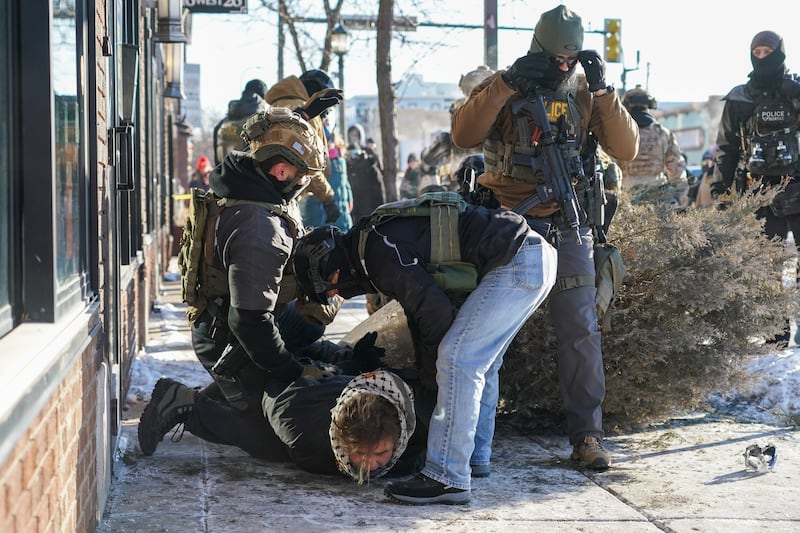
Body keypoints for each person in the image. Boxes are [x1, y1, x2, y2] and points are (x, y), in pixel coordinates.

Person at [450, 4, 639, 471]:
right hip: (509, 226)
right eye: (554, 58)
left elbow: (627, 148)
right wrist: (506, 84)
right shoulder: (505, 82)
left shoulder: (585, 91)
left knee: (581, 329)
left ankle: (587, 436)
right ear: (538, 46)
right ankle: (473, 441)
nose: (561, 66)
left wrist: (604, 90)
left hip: (569, 225)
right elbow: (464, 132)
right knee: (489, 332)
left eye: (568, 59)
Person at [291, 199, 558, 504]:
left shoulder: (376, 253)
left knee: (458, 360)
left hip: (518, 260)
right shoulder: (373, 243)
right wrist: (425, 369)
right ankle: (474, 458)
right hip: (531, 255)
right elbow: (421, 313)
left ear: (329, 266)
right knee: (483, 361)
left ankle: (447, 476)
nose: (335, 294)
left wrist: (432, 380)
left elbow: (435, 313)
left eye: (330, 288)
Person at [138, 104, 344, 460]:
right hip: (227, 338)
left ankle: (238, 389)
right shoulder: (258, 227)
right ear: (281, 170)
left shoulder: (245, 184)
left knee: (311, 326)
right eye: (305, 176)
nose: (305, 184)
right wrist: (292, 372)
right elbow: (249, 320)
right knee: (279, 440)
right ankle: (185, 404)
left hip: (230, 323)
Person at [139, 362, 430, 483]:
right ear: (341, 442)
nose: (370, 465)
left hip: (334, 381)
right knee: (263, 441)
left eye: (380, 454)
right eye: (361, 454)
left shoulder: (410, 438)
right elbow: (275, 395)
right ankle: (183, 402)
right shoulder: (300, 428)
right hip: (280, 387)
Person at [712, 30, 800, 346]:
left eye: (768, 52)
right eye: (757, 52)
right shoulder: (741, 99)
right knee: (766, 270)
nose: (762, 57)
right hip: (760, 195)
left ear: (781, 53)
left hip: (798, 191)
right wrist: (720, 191)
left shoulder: (796, 92)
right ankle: (775, 337)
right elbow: (727, 149)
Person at [266, 69, 342, 224]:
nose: (326, 113)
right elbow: (308, 161)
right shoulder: (305, 111)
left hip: (268, 191)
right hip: (288, 192)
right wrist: (328, 198)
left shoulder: (275, 106)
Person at [617, 85, 688, 207]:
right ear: (649, 106)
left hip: (627, 198)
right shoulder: (663, 134)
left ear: (626, 107)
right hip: (657, 198)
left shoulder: (619, 134)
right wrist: (681, 199)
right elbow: (677, 171)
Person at [299, 125, 354, 231]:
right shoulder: (314, 160)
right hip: (321, 215)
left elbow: (345, 182)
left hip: (342, 215)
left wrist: (349, 198)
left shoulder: (340, 157)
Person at [212, 79, 269, 166]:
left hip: (222, 177)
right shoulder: (261, 122)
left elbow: (217, 159)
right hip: (249, 177)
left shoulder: (222, 124)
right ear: (263, 98)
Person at [346, 124, 386, 223]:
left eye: (356, 135)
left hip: (367, 199)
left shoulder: (368, 153)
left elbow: (378, 177)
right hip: (353, 200)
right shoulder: (346, 152)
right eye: (352, 135)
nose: (354, 137)